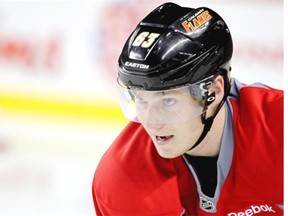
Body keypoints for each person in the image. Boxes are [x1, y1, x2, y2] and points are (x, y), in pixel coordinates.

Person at [92, 2, 283, 215]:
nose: (152, 122)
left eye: (168, 101)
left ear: (213, 91)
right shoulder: (123, 180)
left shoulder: (278, 129)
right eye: (141, 100)